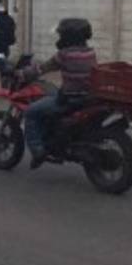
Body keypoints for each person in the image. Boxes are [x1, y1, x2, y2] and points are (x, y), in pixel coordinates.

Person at [20, 18, 98, 169]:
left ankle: (38, 151)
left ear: (68, 36)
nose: (60, 37)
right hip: (88, 98)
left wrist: (24, 73)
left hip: (70, 99)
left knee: (31, 112)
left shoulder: (64, 55)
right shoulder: (91, 52)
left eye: (62, 34)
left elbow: (41, 69)